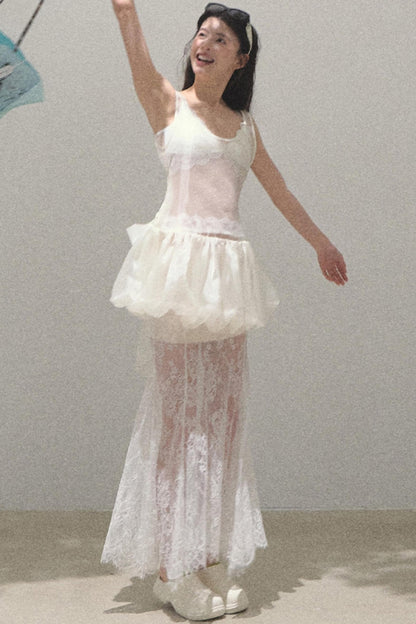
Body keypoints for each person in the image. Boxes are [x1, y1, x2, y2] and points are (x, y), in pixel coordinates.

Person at [101, 2, 348, 620]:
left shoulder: (243, 126)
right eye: (201, 33)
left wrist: (320, 242)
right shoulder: (168, 104)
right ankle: (172, 569)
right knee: (179, 421)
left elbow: (279, 190)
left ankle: (207, 556)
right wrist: (124, 7)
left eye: (221, 38)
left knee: (223, 420)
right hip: (180, 275)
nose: (205, 43)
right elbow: (134, 49)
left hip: (228, 278)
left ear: (241, 58)